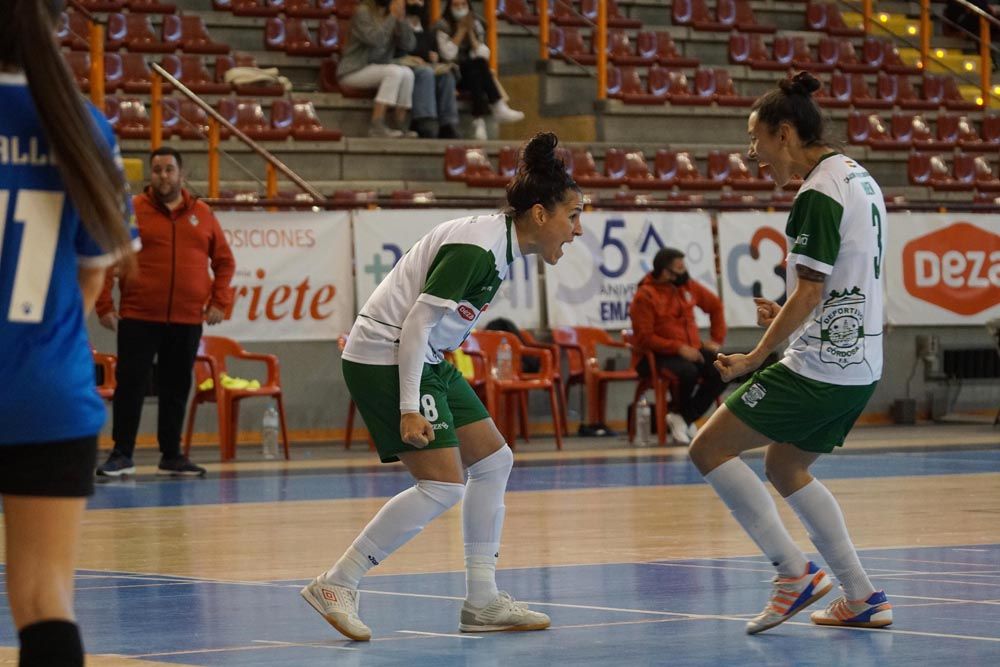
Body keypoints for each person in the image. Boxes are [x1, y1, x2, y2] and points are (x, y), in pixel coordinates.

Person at [300, 133, 582, 641]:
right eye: (574, 215)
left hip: (424, 357)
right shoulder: (478, 249)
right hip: (386, 355)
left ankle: (482, 601)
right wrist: (411, 407)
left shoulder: (498, 243)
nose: (577, 229)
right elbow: (413, 327)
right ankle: (337, 582)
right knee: (443, 484)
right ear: (540, 214)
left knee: (495, 461)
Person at [688, 72, 893, 635]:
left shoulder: (816, 194)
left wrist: (756, 355)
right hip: (861, 364)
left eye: (756, 140)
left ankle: (792, 575)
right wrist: (782, 314)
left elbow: (808, 292)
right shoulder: (859, 177)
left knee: (706, 448)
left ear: (785, 133)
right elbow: (827, 284)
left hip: (820, 366)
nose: (752, 155)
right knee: (785, 463)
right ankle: (861, 597)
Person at [0, 1, 137, 664]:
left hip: (44, 394)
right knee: (46, 599)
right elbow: (89, 283)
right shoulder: (85, 126)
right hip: (47, 396)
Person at [95, 147, 235, 479]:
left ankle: (171, 455)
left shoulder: (203, 213)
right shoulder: (132, 212)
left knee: (176, 387)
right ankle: (121, 454)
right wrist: (104, 305)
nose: (163, 176)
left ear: (181, 174)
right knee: (130, 385)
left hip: (186, 319)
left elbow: (225, 262)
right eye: (157, 170)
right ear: (150, 175)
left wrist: (219, 302)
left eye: (169, 169)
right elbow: (109, 258)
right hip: (139, 316)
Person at [630, 247, 727, 445]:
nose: (685, 274)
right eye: (679, 270)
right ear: (666, 272)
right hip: (656, 356)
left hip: (689, 350)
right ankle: (682, 418)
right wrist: (679, 348)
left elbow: (715, 306)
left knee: (722, 368)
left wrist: (716, 340)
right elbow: (644, 338)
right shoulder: (645, 296)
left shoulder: (688, 287)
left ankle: (683, 417)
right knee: (688, 372)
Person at [434, 0, 524, 140]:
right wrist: (461, 31)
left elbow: (482, 54)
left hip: (471, 72)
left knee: (478, 66)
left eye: (463, 5)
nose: (460, 8)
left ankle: (479, 120)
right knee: (478, 68)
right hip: (450, 73)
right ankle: (496, 105)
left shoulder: (476, 23)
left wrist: (470, 32)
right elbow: (448, 54)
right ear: (449, 7)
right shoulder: (442, 25)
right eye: (456, 5)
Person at [338, 0, 418, 138]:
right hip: (353, 70)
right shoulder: (363, 12)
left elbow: (409, 45)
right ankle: (377, 125)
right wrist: (392, 17)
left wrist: (402, 20)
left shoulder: (393, 15)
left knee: (408, 73)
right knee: (394, 72)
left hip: (378, 68)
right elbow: (376, 40)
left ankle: (399, 124)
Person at [399, 0, 461, 138]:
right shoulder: (399, 24)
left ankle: (447, 123)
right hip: (405, 65)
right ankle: (424, 120)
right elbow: (401, 49)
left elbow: (432, 51)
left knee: (446, 75)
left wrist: (434, 57)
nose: (417, 2)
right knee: (425, 73)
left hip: (426, 65)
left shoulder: (427, 29)